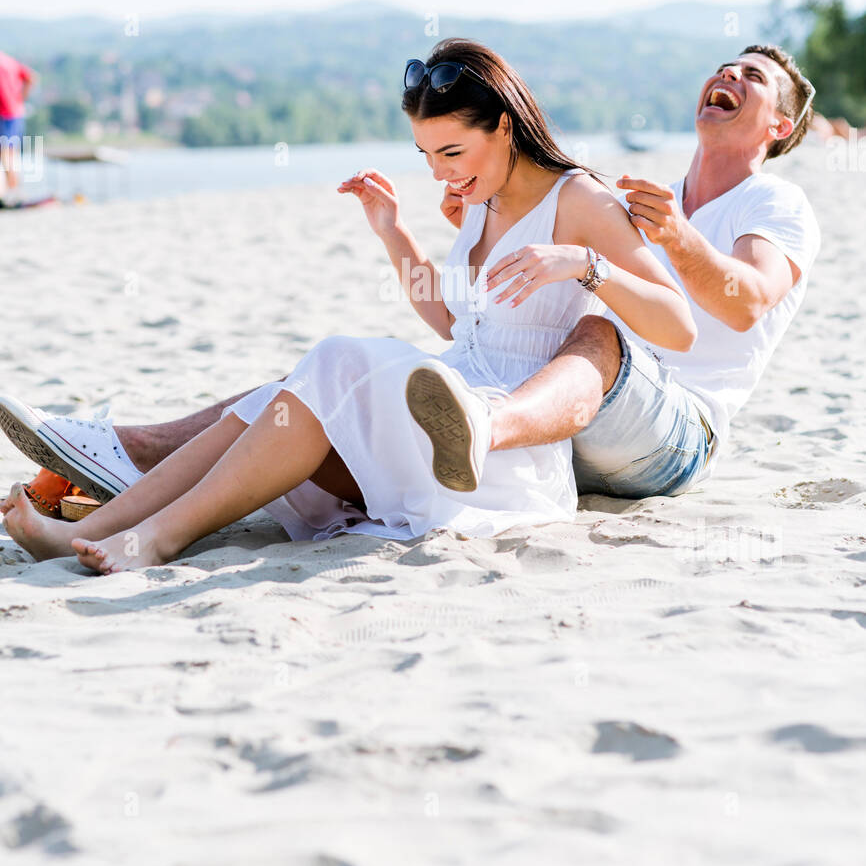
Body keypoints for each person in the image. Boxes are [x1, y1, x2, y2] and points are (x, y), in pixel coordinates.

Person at [0, 40, 695, 572]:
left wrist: (586, 265)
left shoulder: (580, 201)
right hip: (447, 393)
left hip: (500, 451)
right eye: (427, 155)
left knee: (335, 358)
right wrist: (393, 232)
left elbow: (679, 327)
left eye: (452, 150)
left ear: (506, 127)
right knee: (282, 396)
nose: (441, 172)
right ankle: (89, 532)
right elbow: (459, 324)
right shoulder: (481, 202)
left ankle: (156, 537)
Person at [0, 50, 37, 201]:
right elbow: (31, 78)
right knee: (10, 153)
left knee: (6, 153)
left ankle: (13, 191)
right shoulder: (9, 60)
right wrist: (21, 98)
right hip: (16, 112)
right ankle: (13, 190)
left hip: (5, 113)